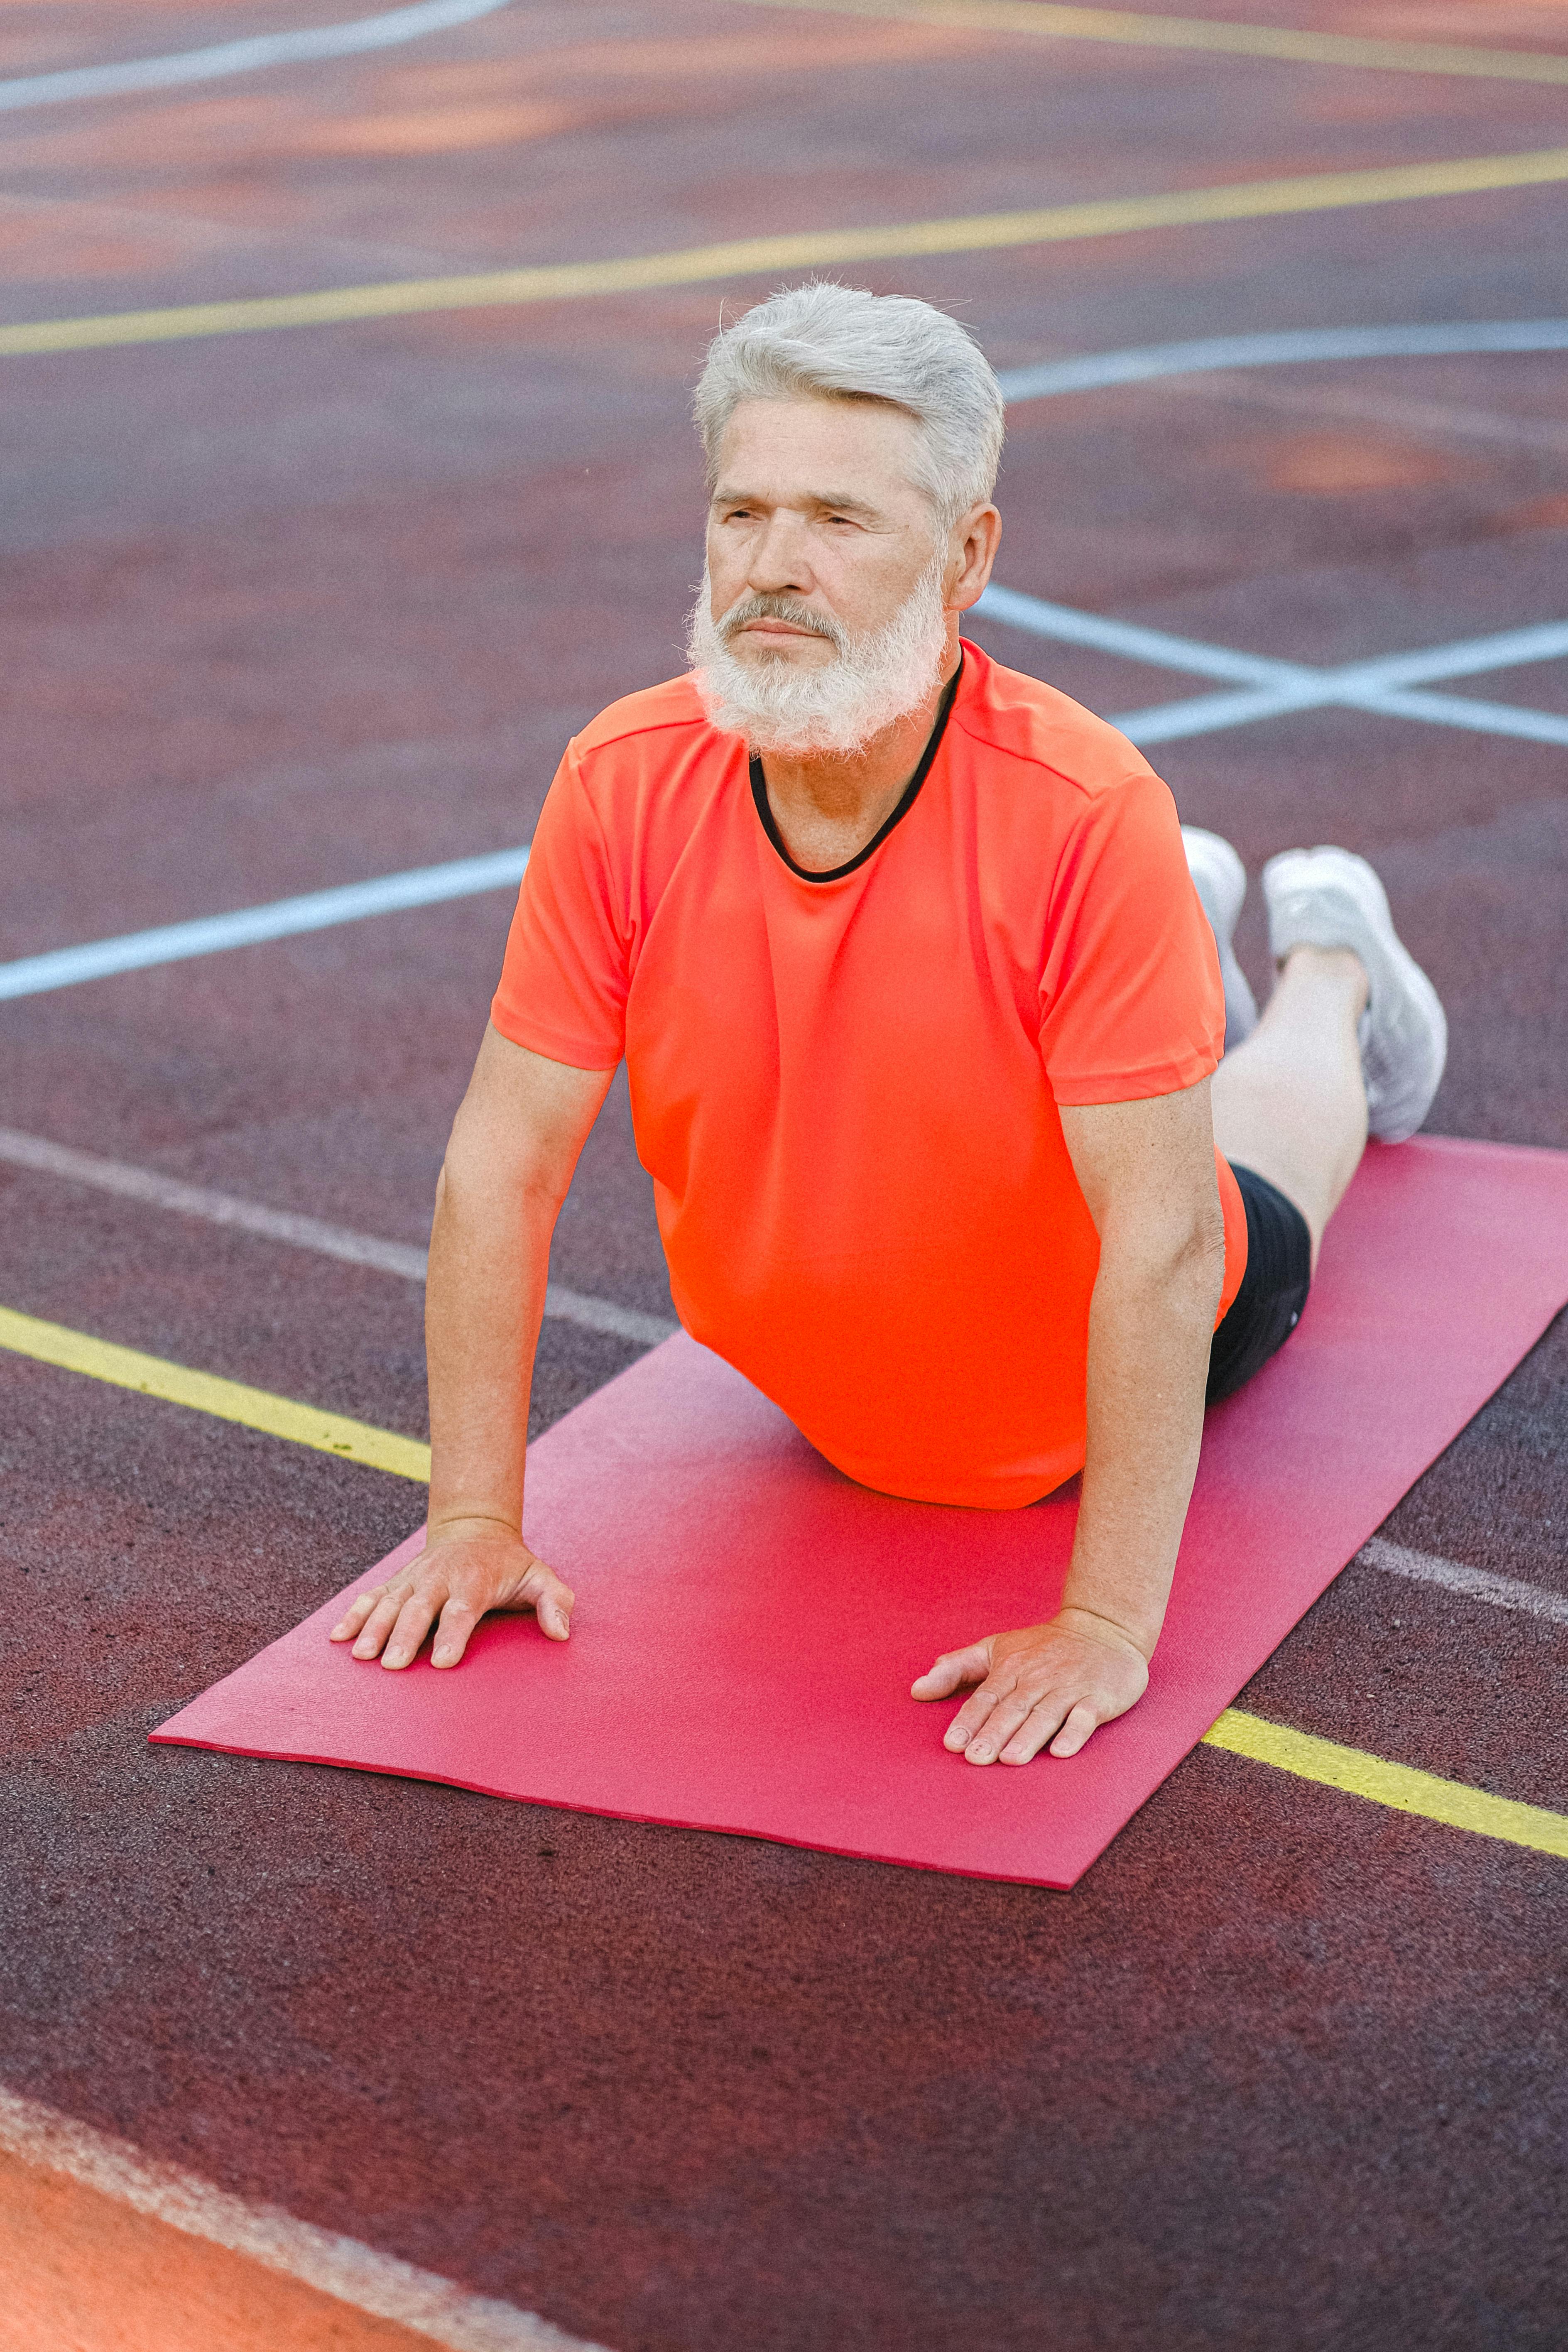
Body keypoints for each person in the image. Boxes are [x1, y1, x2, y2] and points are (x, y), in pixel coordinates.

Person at [331, 283, 1448, 1766]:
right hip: (829, 1399)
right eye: (742, 516)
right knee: (1108, 1017)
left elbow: (1168, 1249)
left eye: (839, 524)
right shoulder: (621, 782)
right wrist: (475, 1516)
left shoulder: (1085, 812)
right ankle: (1168, 960)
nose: (773, 569)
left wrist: (1108, 1625)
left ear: (968, 552)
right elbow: (504, 1163)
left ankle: (1331, 968)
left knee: (1262, 1175)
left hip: (1073, 1383)